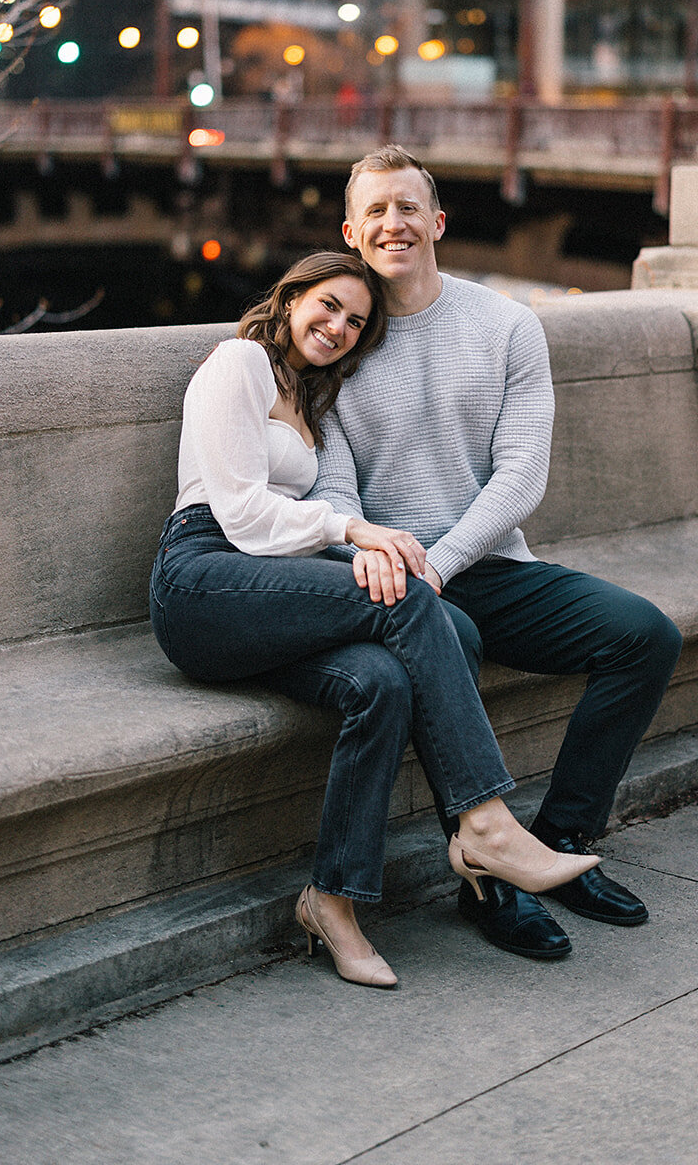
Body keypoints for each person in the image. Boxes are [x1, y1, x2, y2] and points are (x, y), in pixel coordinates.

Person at [149, 250, 599, 990]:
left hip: (279, 591)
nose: (338, 327)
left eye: (355, 321)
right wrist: (355, 536)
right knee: (416, 601)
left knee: (383, 681)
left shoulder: (310, 399)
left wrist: (347, 543)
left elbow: (305, 520)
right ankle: (484, 824)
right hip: (202, 582)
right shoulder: (238, 364)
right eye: (327, 305)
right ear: (291, 297)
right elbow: (241, 513)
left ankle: (332, 901)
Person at [310, 149, 684, 962]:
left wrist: (442, 562)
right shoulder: (335, 337)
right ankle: (489, 882)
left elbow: (520, 477)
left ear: (436, 222)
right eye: (374, 212)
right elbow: (332, 493)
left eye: (406, 208)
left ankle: (559, 843)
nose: (391, 224)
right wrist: (398, 564)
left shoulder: (506, 325)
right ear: (351, 233)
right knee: (452, 640)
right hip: (391, 581)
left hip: (485, 564)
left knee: (643, 635)